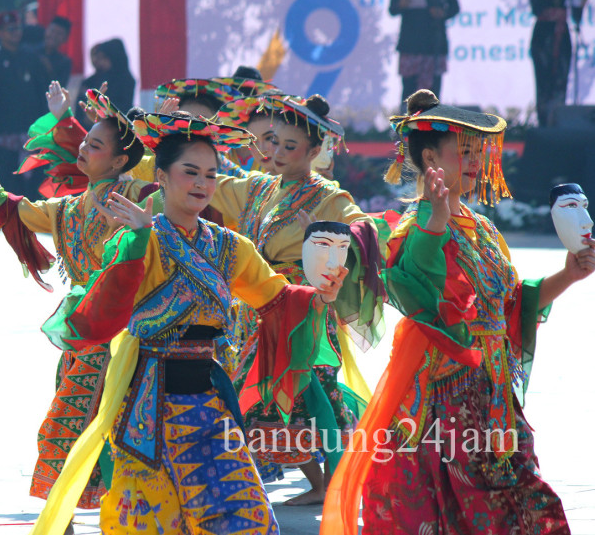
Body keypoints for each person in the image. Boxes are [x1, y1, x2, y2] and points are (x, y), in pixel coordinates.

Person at [31, 110, 348, 535]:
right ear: (161, 176)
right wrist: (138, 239)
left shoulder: (228, 246)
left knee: (247, 518)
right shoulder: (136, 239)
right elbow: (103, 315)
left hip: (209, 403)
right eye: (190, 172)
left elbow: (275, 297)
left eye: (211, 175)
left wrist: (319, 295)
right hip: (147, 408)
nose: (202, 184)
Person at [322, 89, 595, 535]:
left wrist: (568, 275)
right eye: (464, 151)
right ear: (430, 156)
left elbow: (510, 306)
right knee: (463, 513)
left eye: (478, 151)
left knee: (526, 503)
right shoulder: (413, 226)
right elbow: (416, 291)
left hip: (494, 395)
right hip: (444, 402)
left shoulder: (482, 226)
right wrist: (435, 216)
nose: (475, 160)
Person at [0, 83, 151, 520]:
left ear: (120, 161)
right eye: (85, 140)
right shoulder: (66, 210)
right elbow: (0, 204)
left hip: (131, 342)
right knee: (72, 438)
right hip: (82, 339)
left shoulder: (143, 199)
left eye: (95, 144)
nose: (82, 146)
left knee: (105, 438)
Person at [210, 94, 384, 505]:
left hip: (304, 306)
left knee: (304, 385)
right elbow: (201, 184)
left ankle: (332, 478)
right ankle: (321, 481)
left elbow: (368, 228)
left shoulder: (328, 197)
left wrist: (326, 239)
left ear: (314, 151)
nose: (277, 152)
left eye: (290, 147)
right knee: (278, 390)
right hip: (255, 306)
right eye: (273, 142)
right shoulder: (257, 188)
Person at [0, 11, 50, 196]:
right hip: (5, 133)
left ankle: (33, 224)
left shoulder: (32, 58)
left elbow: (42, 93)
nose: (15, 33)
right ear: (0, 32)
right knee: (9, 185)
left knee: (34, 186)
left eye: (18, 28)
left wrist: (46, 125)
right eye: (10, 29)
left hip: (30, 131)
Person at [389, 0, 459, 106]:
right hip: (410, 43)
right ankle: (408, 124)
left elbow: (454, 7)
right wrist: (400, 4)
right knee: (409, 93)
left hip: (434, 43)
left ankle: (431, 124)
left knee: (432, 95)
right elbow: (392, 8)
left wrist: (442, 13)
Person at [530, 0, 580, 126]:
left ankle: (558, 123)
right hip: (543, 37)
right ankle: (543, 123)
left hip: (562, 34)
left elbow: (575, 5)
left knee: (561, 81)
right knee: (543, 83)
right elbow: (535, 8)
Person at [76, 39, 136, 125]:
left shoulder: (127, 81)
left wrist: (100, 113)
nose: (100, 62)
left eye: (104, 58)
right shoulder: (92, 81)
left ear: (114, 57)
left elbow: (123, 109)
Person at [40, 16, 73, 86]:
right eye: (52, 31)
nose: (54, 35)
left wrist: (49, 69)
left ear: (65, 39)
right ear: (46, 30)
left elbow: (61, 87)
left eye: (59, 33)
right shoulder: (29, 52)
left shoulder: (65, 63)